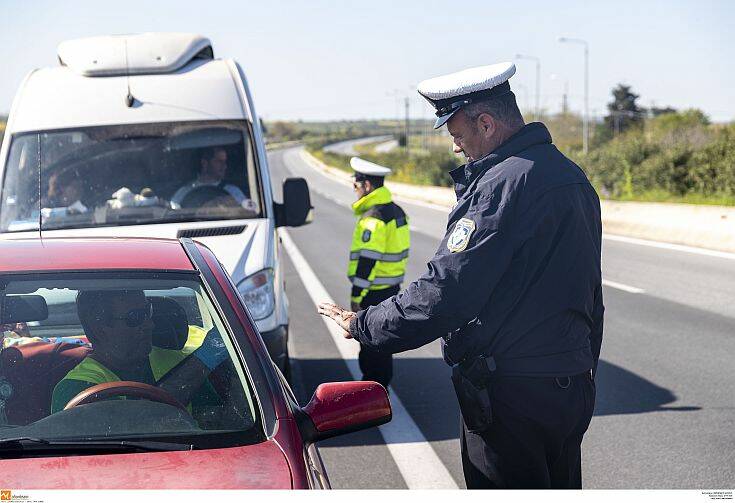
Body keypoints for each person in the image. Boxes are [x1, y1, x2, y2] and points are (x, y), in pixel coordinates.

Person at [318, 62, 604, 489]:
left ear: (485, 123)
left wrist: (366, 324)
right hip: (570, 386)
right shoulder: (570, 176)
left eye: (457, 134)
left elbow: (446, 292)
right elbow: (590, 295)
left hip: (513, 396)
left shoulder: (500, 186)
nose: (455, 148)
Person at [51, 289, 228, 414]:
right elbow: (134, 429)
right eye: (135, 318)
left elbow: (215, 418)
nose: (150, 324)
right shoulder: (75, 387)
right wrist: (201, 363)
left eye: (148, 312)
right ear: (99, 328)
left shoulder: (177, 361)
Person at [348, 157, 410, 389]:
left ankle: (372, 393)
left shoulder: (373, 218)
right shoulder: (397, 211)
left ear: (367, 186)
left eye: (355, 185)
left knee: (370, 344)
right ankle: (380, 388)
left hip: (372, 293)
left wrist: (356, 296)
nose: (354, 189)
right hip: (392, 288)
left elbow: (368, 261)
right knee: (383, 342)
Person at [170, 146, 256, 211]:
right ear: (204, 163)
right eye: (219, 162)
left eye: (225, 162)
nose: (224, 166)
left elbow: (247, 212)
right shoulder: (184, 192)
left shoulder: (233, 191)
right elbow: (173, 212)